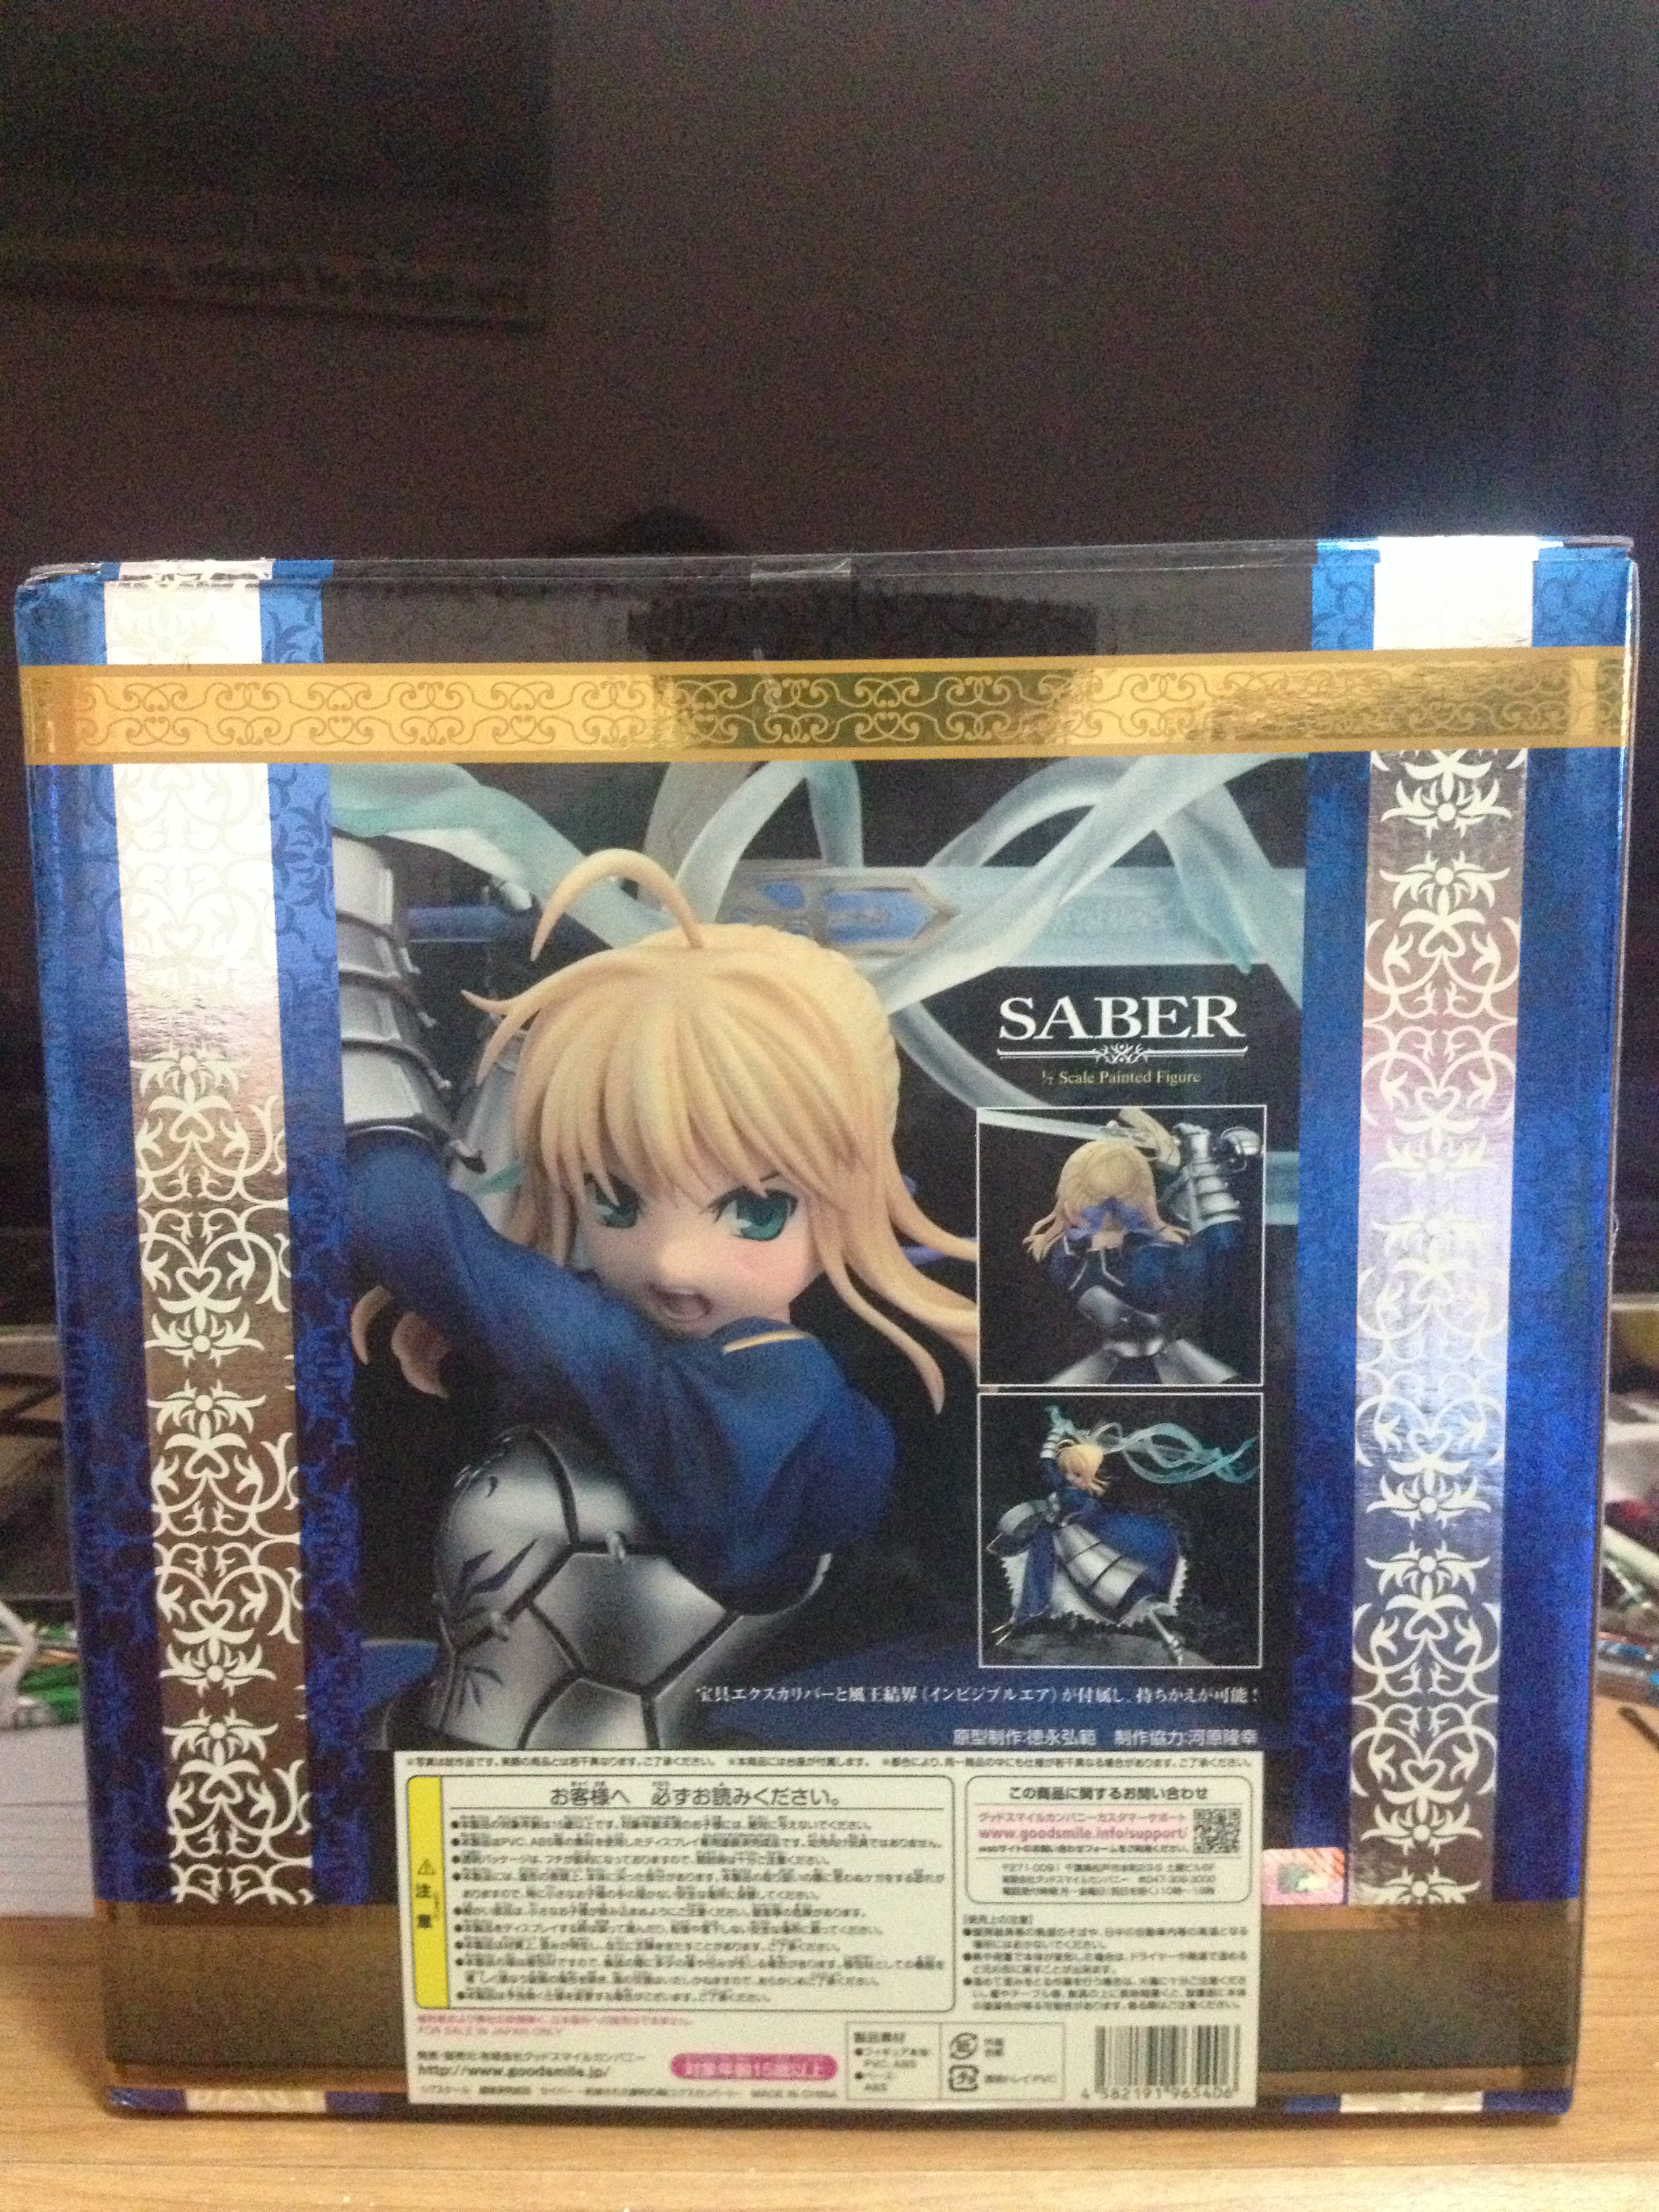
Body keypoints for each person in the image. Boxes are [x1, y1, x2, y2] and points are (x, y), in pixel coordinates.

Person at [346, 846, 977, 1619]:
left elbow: (391, 1211)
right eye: (615, 1201)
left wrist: (347, 989)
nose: (674, 1263)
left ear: (849, 1199)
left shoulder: (717, 1384)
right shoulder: (817, 1412)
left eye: (756, 1212)